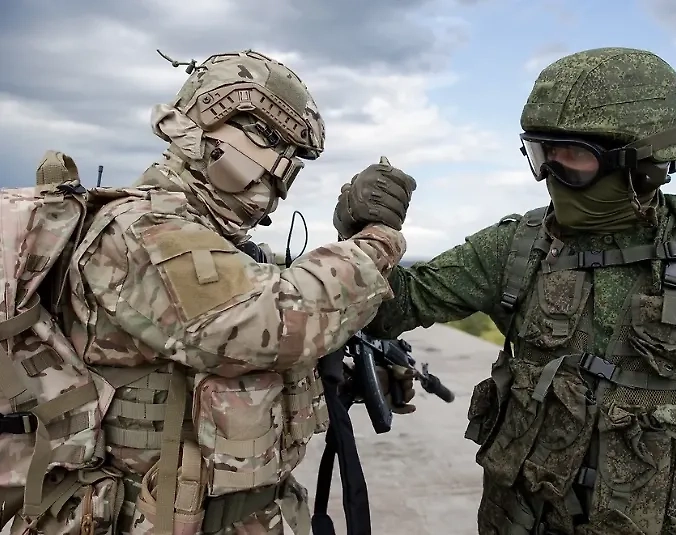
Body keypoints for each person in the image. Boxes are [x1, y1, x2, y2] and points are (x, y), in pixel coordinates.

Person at [352, 47, 676, 534]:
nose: (552, 175)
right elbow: (389, 306)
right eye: (543, 154)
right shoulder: (517, 248)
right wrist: (364, 234)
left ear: (644, 163)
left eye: (575, 157)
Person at [60, 49, 417, 535]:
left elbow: (224, 372)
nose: (278, 171)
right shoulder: (140, 230)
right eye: (267, 138)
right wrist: (376, 242)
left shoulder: (222, 245)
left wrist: (344, 378)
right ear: (206, 122)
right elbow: (267, 324)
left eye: (290, 157)